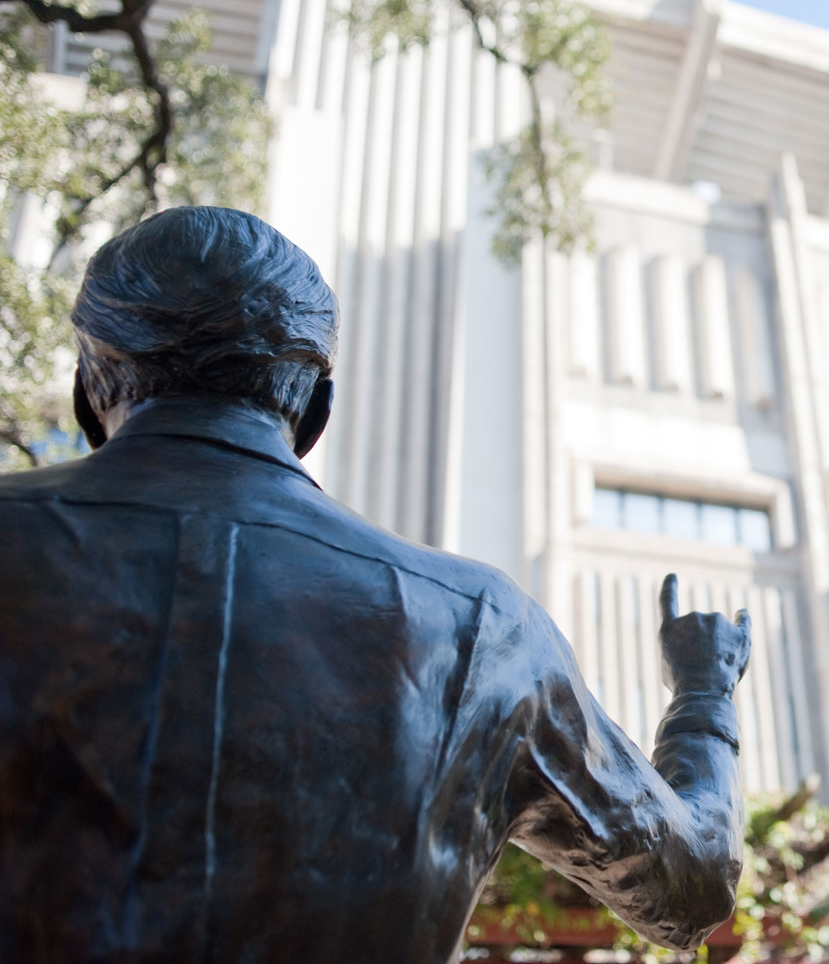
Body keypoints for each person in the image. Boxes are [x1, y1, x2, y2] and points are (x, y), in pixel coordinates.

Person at [0, 206, 751, 963]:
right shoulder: (485, 630)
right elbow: (691, 889)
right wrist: (703, 693)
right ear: (314, 410)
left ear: (86, 391)